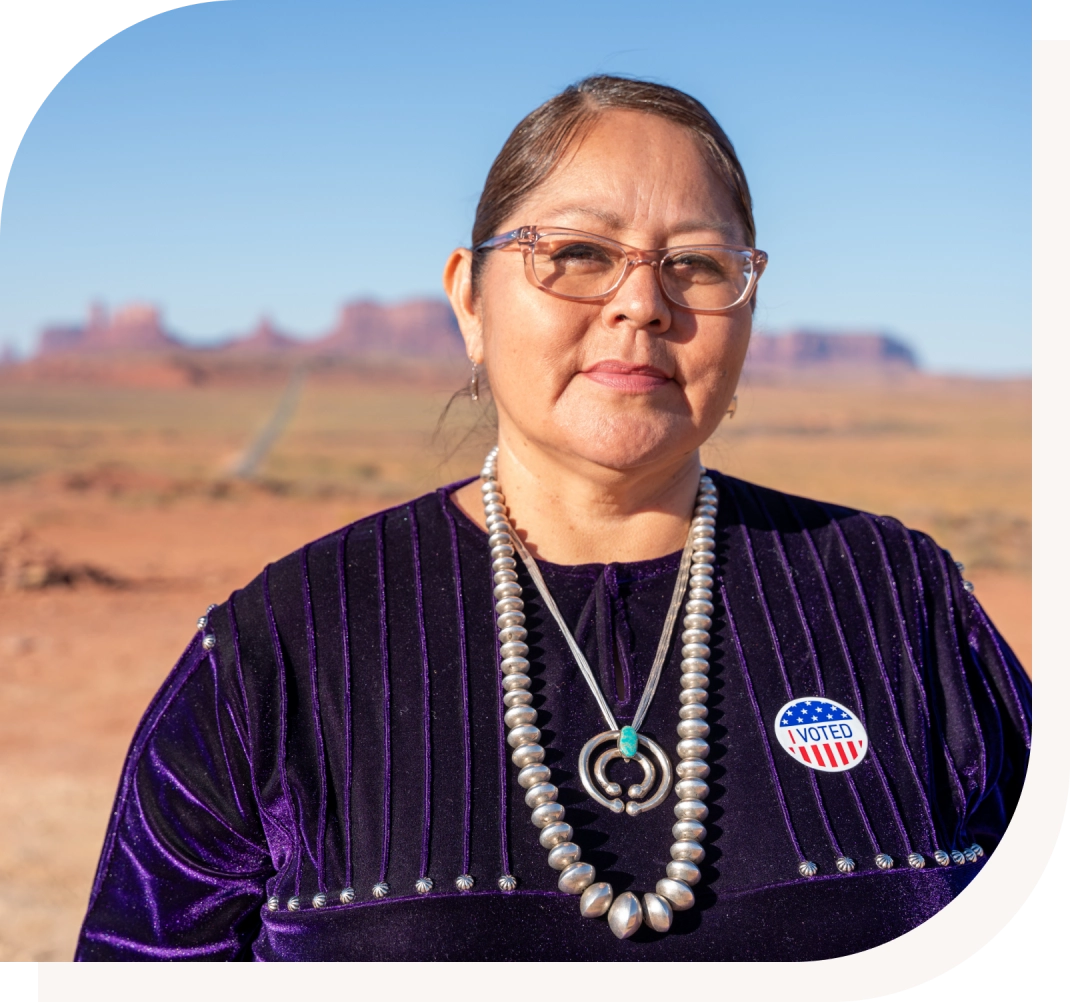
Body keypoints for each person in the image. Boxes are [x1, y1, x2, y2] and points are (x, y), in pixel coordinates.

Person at [75, 76, 1030, 961]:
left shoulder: (900, 602)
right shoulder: (281, 646)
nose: (641, 306)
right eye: (576, 254)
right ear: (469, 299)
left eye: (695, 265)